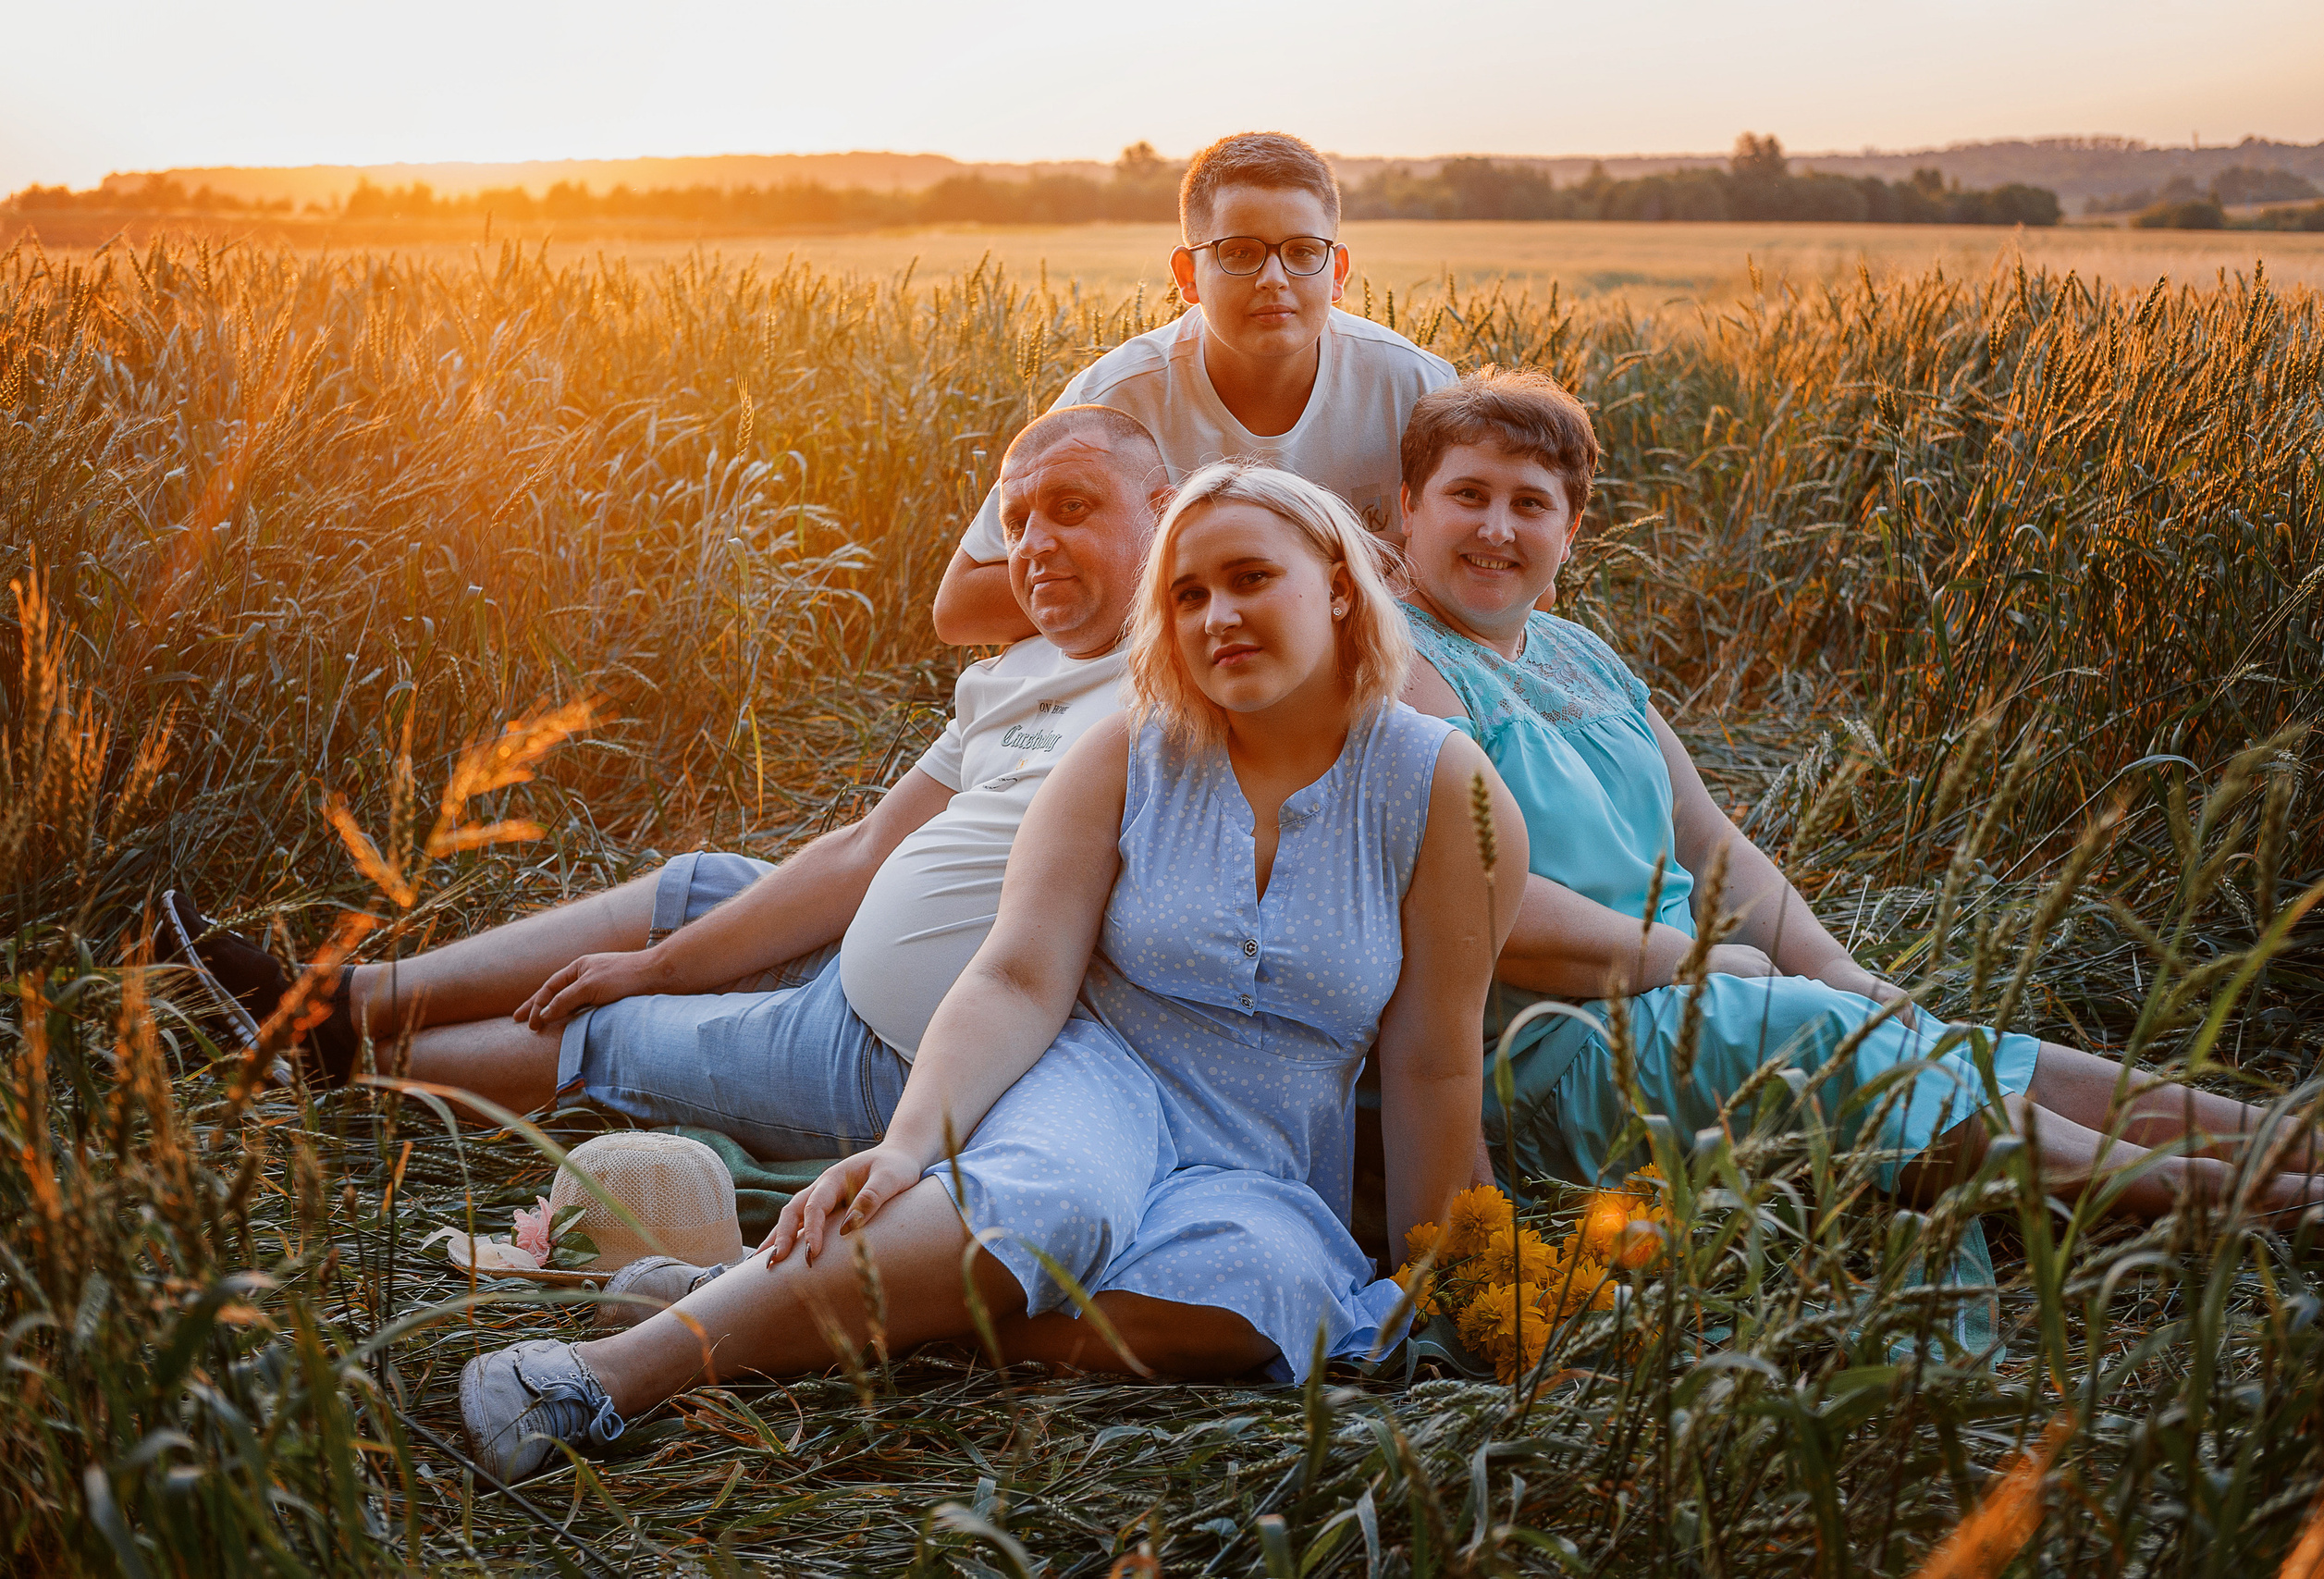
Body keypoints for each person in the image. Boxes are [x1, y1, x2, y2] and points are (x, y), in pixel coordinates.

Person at [454, 463, 1528, 1484]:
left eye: (1251, 578)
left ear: (1338, 588)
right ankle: (597, 1376)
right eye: (1188, 593)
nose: (1217, 617)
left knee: (1269, 1295)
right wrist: (909, 1147)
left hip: (1267, 1147)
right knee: (1050, 1199)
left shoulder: (1437, 788)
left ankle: (769, 1303)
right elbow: (1017, 976)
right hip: (1103, 1076)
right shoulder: (1128, 753)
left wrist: (1450, 1278)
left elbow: (1433, 1056)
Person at [1392, 366, 2324, 1223]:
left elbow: (1708, 843)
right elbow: (1485, 909)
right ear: (1406, 511)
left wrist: (1843, 974)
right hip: (1554, 1055)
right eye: (1466, 495)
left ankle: (2318, 1150)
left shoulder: (1579, 656)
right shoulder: (1405, 665)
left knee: (1941, 1039)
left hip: (1696, 998)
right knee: (1811, 1028)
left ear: (1570, 531)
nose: (1496, 527)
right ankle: (2261, 1207)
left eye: (1530, 504)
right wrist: (1706, 966)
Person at [162, 404, 1164, 1172]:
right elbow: (863, 850)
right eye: (1018, 517)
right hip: (847, 972)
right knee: (698, 883)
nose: (1033, 546)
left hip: (912, 1060)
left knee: (611, 1030)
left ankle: (339, 1070)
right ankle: (344, 1002)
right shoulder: (1016, 669)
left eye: (1072, 509)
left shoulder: (1188, 679)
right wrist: (671, 956)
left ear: (1165, 515)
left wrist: (651, 981)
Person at [932, 130, 1455, 647]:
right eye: (1240, 253)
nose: (1275, 277)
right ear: (1188, 274)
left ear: (1337, 271)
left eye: (1302, 251)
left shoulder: (1414, 384)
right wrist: (1206, 592)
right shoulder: (1116, 397)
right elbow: (961, 606)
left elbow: (1510, 577)